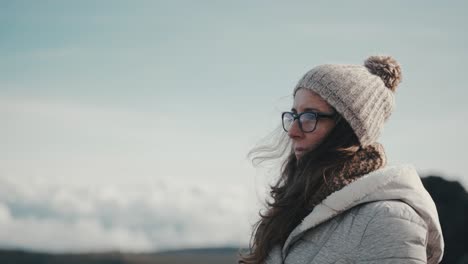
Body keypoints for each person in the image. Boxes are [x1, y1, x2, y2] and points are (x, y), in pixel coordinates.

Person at [239, 56, 444, 264]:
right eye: (294, 115)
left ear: (346, 129)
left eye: (310, 116)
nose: (292, 131)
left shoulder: (389, 220)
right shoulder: (293, 209)